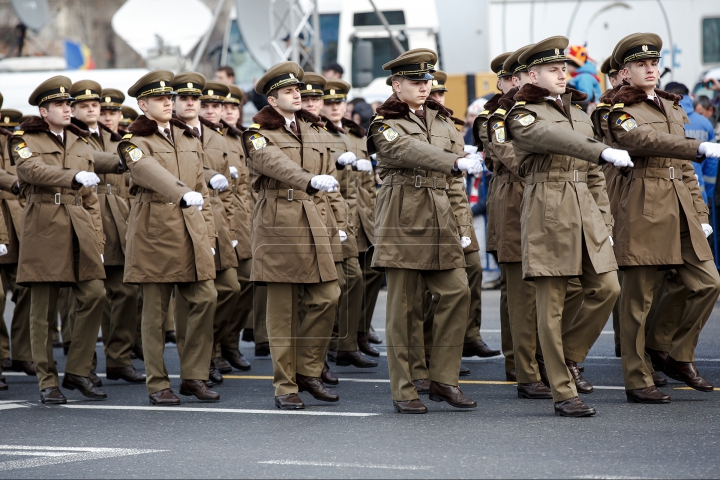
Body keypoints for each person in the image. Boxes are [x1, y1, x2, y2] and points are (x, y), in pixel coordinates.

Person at [505, 36, 628, 417]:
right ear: (532, 74)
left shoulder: (577, 111)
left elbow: (593, 176)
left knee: (607, 287)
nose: (563, 74)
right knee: (551, 305)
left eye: (565, 69)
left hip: (584, 209)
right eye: (554, 69)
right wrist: (599, 149)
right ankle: (562, 391)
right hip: (548, 208)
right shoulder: (521, 113)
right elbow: (548, 136)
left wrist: (604, 220)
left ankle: (569, 357)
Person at [607, 33, 720, 400]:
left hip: (680, 206)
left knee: (707, 282)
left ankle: (670, 351)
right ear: (624, 72)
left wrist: (700, 210)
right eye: (641, 64)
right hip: (643, 205)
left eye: (654, 63)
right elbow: (641, 142)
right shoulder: (613, 112)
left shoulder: (672, 107)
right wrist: (697, 146)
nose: (650, 69)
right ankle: (637, 379)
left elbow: (684, 167)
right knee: (637, 299)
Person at [369, 48, 483, 414]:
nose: (424, 87)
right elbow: (405, 149)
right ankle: (405, 390)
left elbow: (454, 186)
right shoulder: (383, 123)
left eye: (427, 81)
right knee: (403, 309)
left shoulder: (443, 121)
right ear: (396, 84)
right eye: (416, 82)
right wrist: (455, 161)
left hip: (440, 216)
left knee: (456, 291)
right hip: (403, 215)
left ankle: (443, 378)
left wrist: (463, 226)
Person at [242, 61, 342, 410]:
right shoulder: (256, 133)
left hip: (313, 220)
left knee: (327, 294)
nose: (297, 94)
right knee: (283, 310)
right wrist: (308, 180)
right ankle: (286, 386)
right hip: (278, 222)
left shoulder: (312, 129)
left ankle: (308, 370)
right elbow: (274, 163)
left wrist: (337, 224)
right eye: (289, 91)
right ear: (272, 99)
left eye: (298, 90)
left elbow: (329, 174)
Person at [118, 70, 220, 405]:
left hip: (191, 229)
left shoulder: (188, 137)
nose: (167, 103)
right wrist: (180, 193)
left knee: (204, 299)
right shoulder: (133, 142)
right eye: (160, 99)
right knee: (156, 313)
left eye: (169, 97)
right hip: (155, 230)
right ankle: (158, 383)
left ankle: (194, 376)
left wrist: (209, 233)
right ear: (143, 105)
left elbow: (202, 190)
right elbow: (148, 170)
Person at [11, 76, 107, 404]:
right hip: (44, 228)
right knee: (44, 311)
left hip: (79, 227)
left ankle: (79, 369)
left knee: (95, 294)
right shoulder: (24, 139)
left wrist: (98, 238)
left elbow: (91, 198)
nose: (68, 109)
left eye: (69, 104)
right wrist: (71, 177)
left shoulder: (80, 143)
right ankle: (47, 380)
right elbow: (31, 172)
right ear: (43, 109)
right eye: (61, 105)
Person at [69, 80, 145, 384]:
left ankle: (118, 358)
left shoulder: (117, 139)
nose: (95, 111)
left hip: (118, 223)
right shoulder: (73, 139)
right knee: (88, 297)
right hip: (87, 222)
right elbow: (95, 161)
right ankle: (83, 364)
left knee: (126, 291)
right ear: (73, 109)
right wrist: (123, 161)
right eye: (86, 106)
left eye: (96, 106)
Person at [170, 74, 243, 386]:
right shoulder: (171, 133)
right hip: (182, 218)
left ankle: (214, 348)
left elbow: (228, 188)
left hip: (215, 218)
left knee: (230, 288)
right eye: (187, 99)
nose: (197, 105)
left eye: (198, 100)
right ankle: (201, 363)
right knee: (194, 298)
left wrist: (231, 226)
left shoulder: (217, 135)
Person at [217, 83, 255, 373]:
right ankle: (214, 347)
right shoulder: (210, 139)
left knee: (249, 282)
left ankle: (229, 341)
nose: (229, 112)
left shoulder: (242, 138)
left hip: (245, 222)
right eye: (224, 107)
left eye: (234, 107)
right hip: (218, 224)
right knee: (225, 288)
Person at [0, 106, 32, 386]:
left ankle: (22, 352)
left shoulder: (17, 141)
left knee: (25, 290)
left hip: (18, 223)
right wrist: (17, 182)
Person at [665, 82, 717, 204]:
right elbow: (712, 161)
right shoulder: (705, 123)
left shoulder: (663, 121)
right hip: (699, 193)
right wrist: (709, 191)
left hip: (669, 195)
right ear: (688, 96)